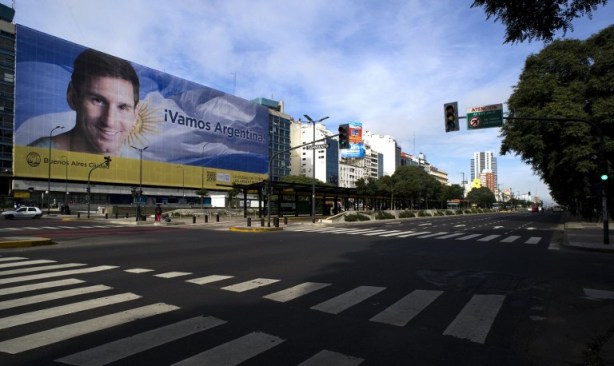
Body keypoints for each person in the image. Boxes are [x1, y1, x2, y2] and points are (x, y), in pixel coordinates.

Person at [29, 48, 140, 156]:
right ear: (72, 97)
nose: (109, 122)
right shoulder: (38, 156)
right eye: (98, 100)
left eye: (123, 107)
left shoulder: (137, 162)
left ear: (135, 114)